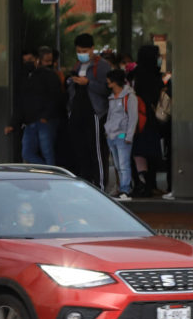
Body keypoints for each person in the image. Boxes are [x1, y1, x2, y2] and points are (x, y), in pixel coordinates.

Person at [66, 33, 111, 190]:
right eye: (79, 50)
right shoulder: (77, 66)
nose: (82, 54)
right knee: (80, 149)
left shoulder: (102, 66)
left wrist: (88, 83)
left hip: (94, 112)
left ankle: (100, 186)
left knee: (97, 150)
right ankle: (85, 184)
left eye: (85, 50)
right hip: (77, 111)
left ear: (92, 49)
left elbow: (107, 89)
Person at [5, 47, 62, 165]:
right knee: (28, 153)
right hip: (31, 122)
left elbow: (56, 98)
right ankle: (48, 173)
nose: (28, 63)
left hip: (43, 121)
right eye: (25, 61)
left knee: (47, 153)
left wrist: (45, 117)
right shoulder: (25, 77)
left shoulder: (48, 76)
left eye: (31, 60)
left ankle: (50, 175)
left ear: (37, 60)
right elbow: (21, 102)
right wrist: (13, 122)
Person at [128, 44, 165, 197]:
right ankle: (149, 185)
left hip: (137, 117)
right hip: (149, 118)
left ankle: (139, 183)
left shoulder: (135, 73)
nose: (159, 59)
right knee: (151, 152)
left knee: (138, 151)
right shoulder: (153, 75)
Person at [104, 68, 138, 200]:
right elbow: (110, 116)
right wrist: (107, 131)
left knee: (123, 165)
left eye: (109, 82)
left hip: (122, 135)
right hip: (112, 135)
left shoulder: (129, 97)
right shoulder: (112, 97)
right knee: (118, 165)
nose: (107, 84)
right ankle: (122, 188)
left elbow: (133, 117)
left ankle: (125, 189)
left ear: (114, 82)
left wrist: (129, 136)